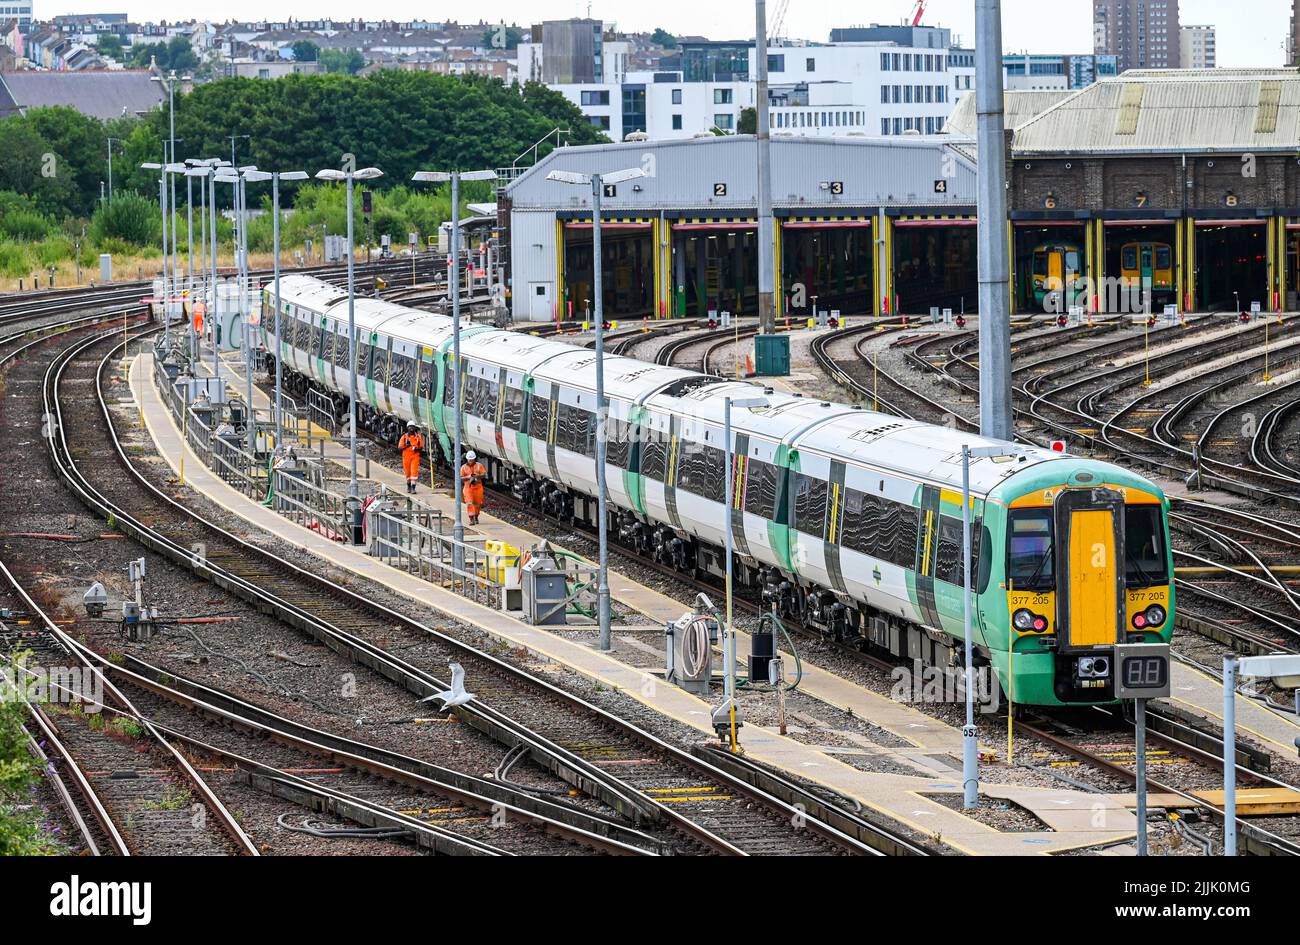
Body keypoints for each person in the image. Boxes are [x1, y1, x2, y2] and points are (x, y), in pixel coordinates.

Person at [460, 450, 487, 525]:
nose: (470, 461)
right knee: (469, 503)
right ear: (467, 459)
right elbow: (461, 478)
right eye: (469, 459)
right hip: (468, 487)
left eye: (472, 460)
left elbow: (484, 474)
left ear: (474, 459)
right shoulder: (463, 467)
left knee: (478, 504)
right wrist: (468, 477)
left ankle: (476, 516)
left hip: (478, 487)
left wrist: (477, 476)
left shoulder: (479, 466)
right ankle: (471, 518)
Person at [398, 422, 424, 494]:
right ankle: (408, 486)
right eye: (410, 427)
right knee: (407, 473)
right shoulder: (404, 437)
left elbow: (421, 448)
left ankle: (413, 488)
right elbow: (399, 448)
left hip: (415, 457)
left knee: (414, 472)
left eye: (412, 427)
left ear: (415, 428)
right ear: (407, 428)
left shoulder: (418, 438)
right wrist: (406, 446)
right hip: (406, 457)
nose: (411, 428)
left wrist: (417, 449)